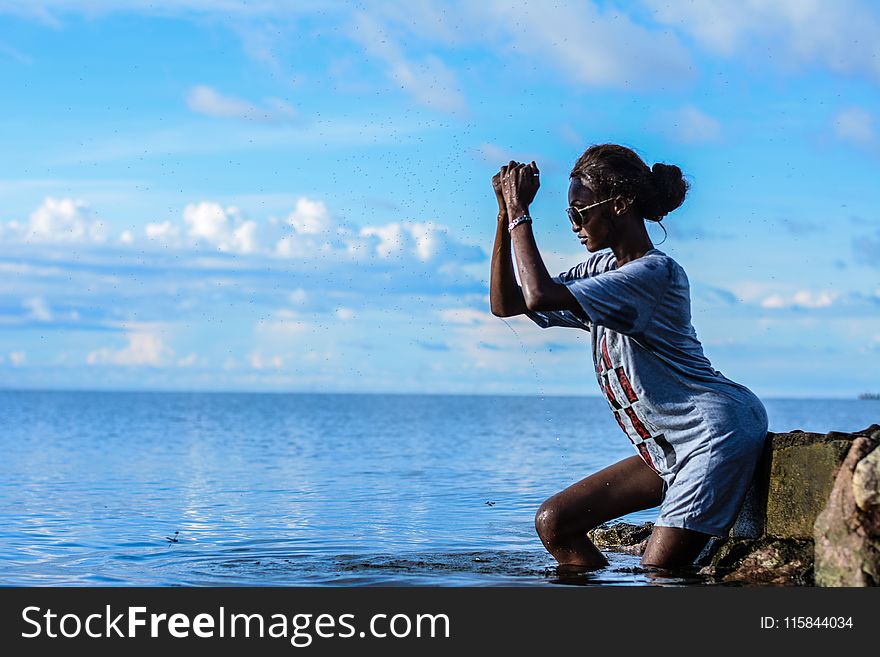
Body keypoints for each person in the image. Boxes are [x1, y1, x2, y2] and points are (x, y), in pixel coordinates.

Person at [489, 144, 769, 569]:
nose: (574, 226)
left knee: (658, 573)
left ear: (618, 205)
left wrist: (521, 212)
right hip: (668, 446)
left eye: (579, 213)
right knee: (556, 523)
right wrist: (505, 215)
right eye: (569, 216)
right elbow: (508, 303)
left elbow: (539, 293)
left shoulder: (653, 273)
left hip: (714, 434)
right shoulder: (600, 270)